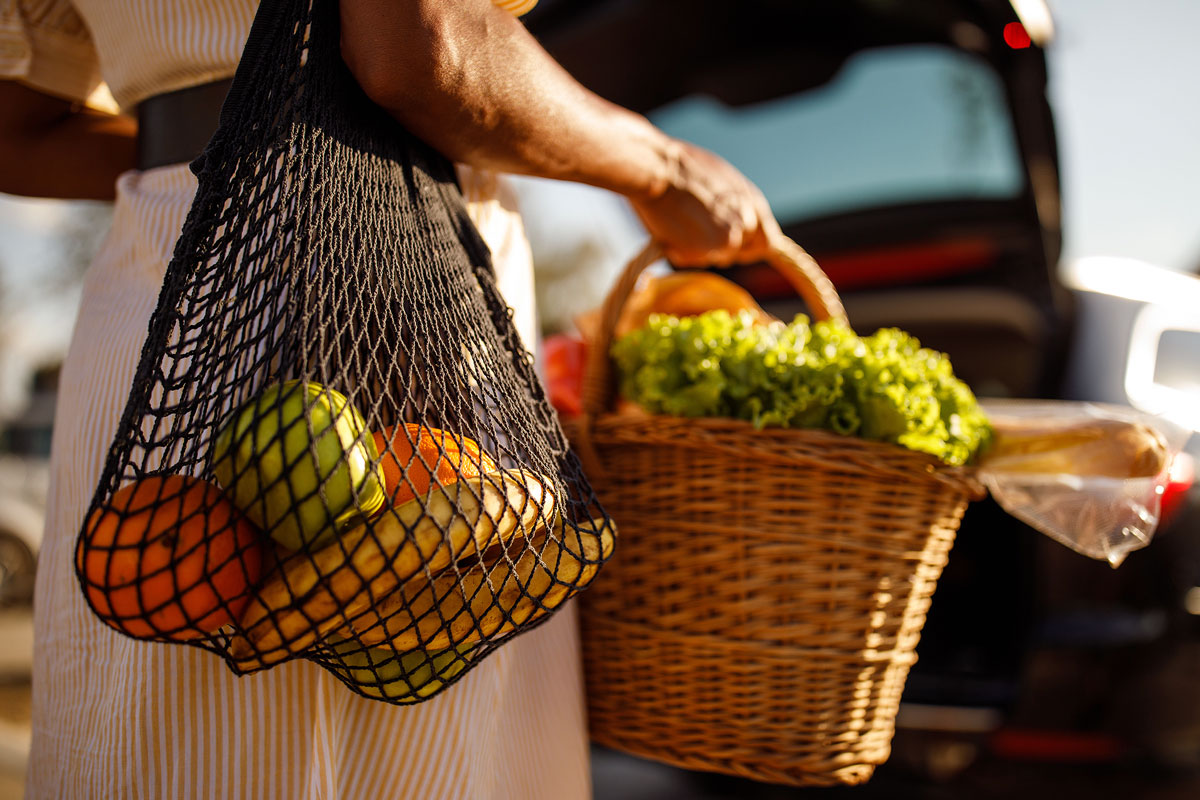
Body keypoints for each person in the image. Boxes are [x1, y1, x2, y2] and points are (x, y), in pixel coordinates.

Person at [0, 0, 783, 796]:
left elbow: (17, 136)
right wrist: (664, 166)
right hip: (404, 296)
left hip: (179, 290)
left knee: (161, 746)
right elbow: (421, 46)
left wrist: (230, 129)